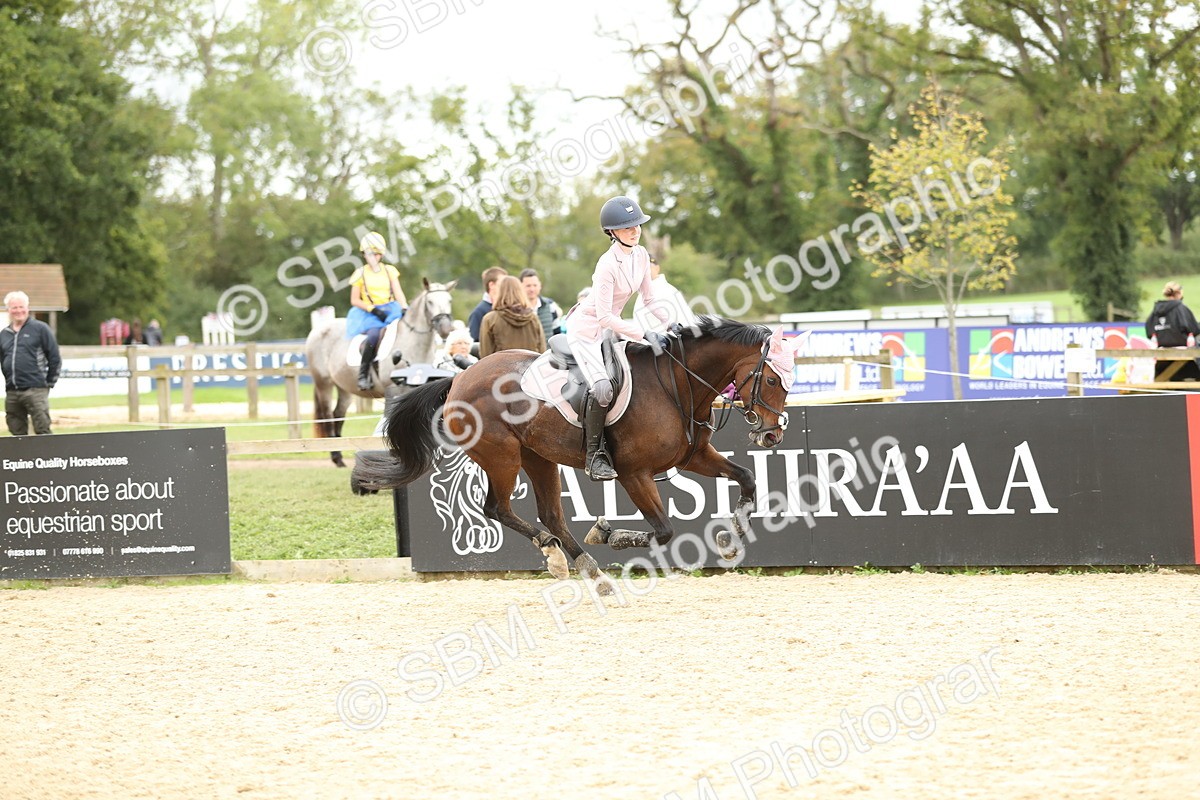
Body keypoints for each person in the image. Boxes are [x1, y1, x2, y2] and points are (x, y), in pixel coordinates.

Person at [567, 195, 670, 480]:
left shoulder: (640, 255)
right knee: (602, 389)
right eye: (627, 227)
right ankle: (594, 456)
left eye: (637, 225)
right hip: (587, 331)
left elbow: (649, 298)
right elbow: (603, 317)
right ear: (612, 232)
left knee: (642, 377)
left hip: (613, 329)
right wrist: (645, 333)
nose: (635, 230)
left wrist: (672, 323)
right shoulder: (606, 265)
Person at [346, 232, 408, 390]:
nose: (373, 257)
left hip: (391, 309)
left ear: (381, 254)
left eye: (376, 253)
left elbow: (398, 291)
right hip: (370, 313)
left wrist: (404, 306)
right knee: (374, 336)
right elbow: (354, 300)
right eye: (369, 253)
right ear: (364, 255)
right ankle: (363, 374)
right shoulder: (359, 274)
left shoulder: (390, 271)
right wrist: (372, 309)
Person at [1, 291, 61, 435]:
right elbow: (3, 361)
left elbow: (54, 358)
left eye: (21, 307)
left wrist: (49, 383)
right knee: (16, 431)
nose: (18, 311)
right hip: (12, 391)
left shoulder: (40, 329)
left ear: (28, 308)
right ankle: (21, 458)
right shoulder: (4, 334)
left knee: (42, 429)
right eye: (14, 307)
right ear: (8, 310)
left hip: (36, 389)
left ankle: (47, 457)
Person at [478, 276, 547, 358]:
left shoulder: (490, 319)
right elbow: (542, 350)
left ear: (499, 292)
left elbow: (485, 354)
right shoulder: (533, 318)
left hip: (501, 369)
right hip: (530, 368)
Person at [1145, 281, 1200, 380]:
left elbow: (1149, 331)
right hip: (1184, 356)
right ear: (1179, 293)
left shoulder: (1155, 310)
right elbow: (1194, 329)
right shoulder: (1181, 308)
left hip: (1161, 356)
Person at [634, 254, 699, 332]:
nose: (645, 271)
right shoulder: (641, 294)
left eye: (648, 267)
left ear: (657, 268)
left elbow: (687, 323)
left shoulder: (670, 292)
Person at [519, 268, 563, 341]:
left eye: (535, 285)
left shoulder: (550, 306)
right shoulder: (515, 309)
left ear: (540, 286)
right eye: (528, 286)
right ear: (520, 286)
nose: (532, 289)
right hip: (524, 351)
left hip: (547, 351)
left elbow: (557, 334)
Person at [468, 266, 509, 341]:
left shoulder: (508, 307)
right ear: (491, 285)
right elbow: (475, 342)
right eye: (502, 283)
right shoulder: (478, 313)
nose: (506, 287)